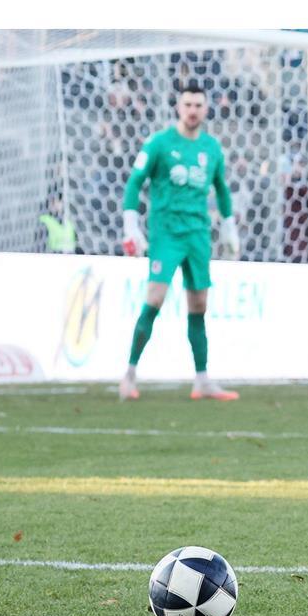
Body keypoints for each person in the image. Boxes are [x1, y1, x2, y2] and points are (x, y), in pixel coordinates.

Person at [119, 84, 241, 402]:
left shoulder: (212, 148)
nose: (192, 110)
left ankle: (201, 381)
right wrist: (131, 227)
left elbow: (222, 190)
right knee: (156, 297)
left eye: (198, 105)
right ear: (178, 106)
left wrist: (229, 228)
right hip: (166, 233)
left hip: (198, 234)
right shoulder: (159, 143)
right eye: (187, 104)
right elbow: (135, 182)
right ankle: (129, 374)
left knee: (199, 305)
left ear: (205, 109)